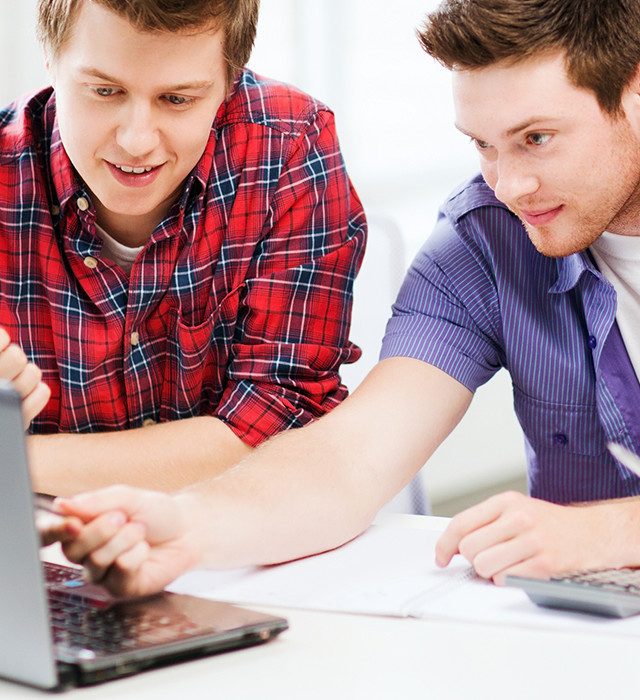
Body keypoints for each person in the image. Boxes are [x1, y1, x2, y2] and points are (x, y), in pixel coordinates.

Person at [43, 0, 640, 597]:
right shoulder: (485, 242)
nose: (509, 184)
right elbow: (349, 458)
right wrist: (189, 526)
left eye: (536, 138)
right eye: (484, 145)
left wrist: (609, 532)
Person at [1, 0, 365, 496]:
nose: (136, 140)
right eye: (104, 91)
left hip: (233, 540)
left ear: (230, 84)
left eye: (177, 99)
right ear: (50, 61)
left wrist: (14, 458)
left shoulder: (289, 148)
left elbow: (281, 420)